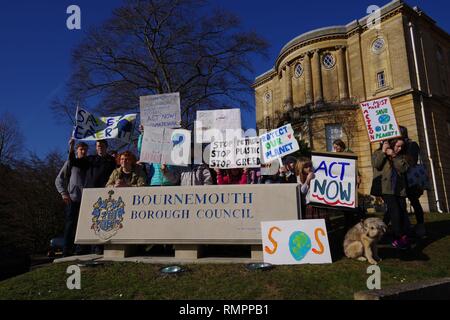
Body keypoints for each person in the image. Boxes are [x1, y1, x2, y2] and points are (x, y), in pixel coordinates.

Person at [68, 138, 117, 255]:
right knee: (86, 221)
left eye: (102, 145)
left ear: (106, 147)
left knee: (100, 220)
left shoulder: (111, 161)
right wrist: (71, 147)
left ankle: (98, 247)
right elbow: (73, 162)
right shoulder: (90, 159)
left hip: (104, 194)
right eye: (97, 146)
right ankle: (81, 248)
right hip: (89, 194)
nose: (99, 147)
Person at [371, 138, 411, 249]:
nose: (400, 148)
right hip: (386, 189)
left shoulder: (402, 156)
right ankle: (400, 236)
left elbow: (403, 169)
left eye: (402, 146)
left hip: (399, 189)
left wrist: (394, 155)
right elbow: (377, 164)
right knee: (395, 211)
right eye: (397, 146)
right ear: (392, 144)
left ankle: (382, 233)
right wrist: (384, 152)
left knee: (401, 212)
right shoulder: (378, 152)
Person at [55, 142, 88, 257]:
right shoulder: (70, 163)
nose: (83, 151)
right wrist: (63, 193)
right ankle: (66, 250)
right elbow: (58, 179)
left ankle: (81, 249)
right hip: (72, 199)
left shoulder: (89, 164)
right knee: (70, 225)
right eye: (81, 149)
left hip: (87, 200)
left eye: (85, 149)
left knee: (84, 225)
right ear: (77, 150)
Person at [400, 126, 426, 237]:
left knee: (414, 201)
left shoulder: (412, 145)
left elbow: (412, 160)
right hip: (400, 178)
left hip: (411, 179)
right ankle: (405, 226)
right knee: (400, 203)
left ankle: (420, 225)